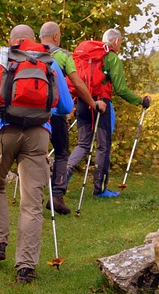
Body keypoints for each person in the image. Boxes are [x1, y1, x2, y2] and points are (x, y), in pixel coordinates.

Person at [0, 24, 73, 284]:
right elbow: (66, 105)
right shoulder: (49, 60)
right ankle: (26, 267)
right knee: (31, 202)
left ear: (12, 40)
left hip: (2, 129)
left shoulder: (0, 57)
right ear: (33, 39)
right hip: (38, 135)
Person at [65, 28, 152, 199]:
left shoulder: (83, 55)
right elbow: (120, 89)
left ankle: (63, 178)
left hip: (82, 101)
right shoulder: (111, 57)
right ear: (117, 41)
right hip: (101, 103)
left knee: (83, 144)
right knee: (103, 146)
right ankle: (100, 189)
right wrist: (139, 101)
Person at [38, 21, 102, 215]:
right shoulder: (63, 55)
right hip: (55, 113)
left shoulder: (30, 53)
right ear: (56, 36)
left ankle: (33, 193)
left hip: (33, 113)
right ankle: (56, 195)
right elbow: (77, 83)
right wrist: (92, 103)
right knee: (61, 152)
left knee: (35, 152)